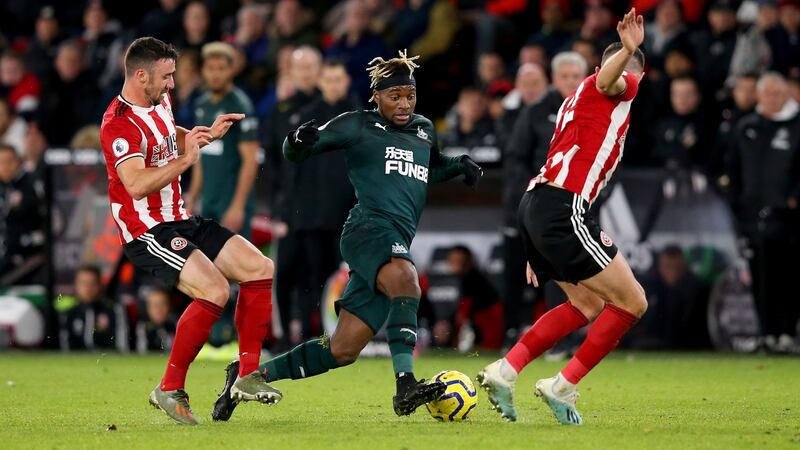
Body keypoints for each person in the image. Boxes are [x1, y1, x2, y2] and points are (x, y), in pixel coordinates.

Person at [212, 50, 483, 421]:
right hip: (367, 228)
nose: (404, 104)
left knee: (342, 349)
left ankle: (246, 377)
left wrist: (457, 166)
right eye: (394, 96)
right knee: (407, 280)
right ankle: (406, 384)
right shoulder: (357, 125)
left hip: (391, 236)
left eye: (409, 96)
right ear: (376, 97)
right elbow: (297, 151)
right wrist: (296, 140)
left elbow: (428, 167)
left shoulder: (423, 128)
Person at [478, 9, 648, 425]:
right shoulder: (611, 86)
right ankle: (562, 384)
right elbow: (609, 79)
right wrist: (629, 52)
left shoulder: (577, 102)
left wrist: (537, 248)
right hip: (562, 207)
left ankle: (505, 370)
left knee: (586, 303)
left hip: (539, 205)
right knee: (632, 301)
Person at [99, 37, 279, 425]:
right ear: (140, 74)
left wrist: (201, 135)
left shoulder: (157, 100)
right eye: (166, 77)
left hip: (179, 217)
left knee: (259, 267)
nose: (172, 85)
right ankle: (169, 387)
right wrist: (186, 160)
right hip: (147, 230)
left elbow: (165, 132)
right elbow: (135, 184)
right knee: (214, 290)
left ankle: (247, 374)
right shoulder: (118, 124)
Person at [272, 59, 359, 349]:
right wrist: (288, 211)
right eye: (329, 79)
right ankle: (310, 338)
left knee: (343, 278)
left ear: (346, 81)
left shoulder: (359, 117)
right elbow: (291, 168)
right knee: (311, 278)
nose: (334, 85)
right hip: (310, 215)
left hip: (346, 214)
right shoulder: (307, 118)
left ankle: (344, 337)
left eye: (338, 79)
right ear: (321, 83)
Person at [726, 72, 800, 353]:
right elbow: (731, 168)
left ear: (786, 95)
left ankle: (785, 332)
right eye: (766, 94)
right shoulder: (746, 127)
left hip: (789, 220)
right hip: (752, 217)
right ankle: (766, 333)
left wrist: (794, 197)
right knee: (760, 276)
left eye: (777, 94)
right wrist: (735, 202)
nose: (771, 99)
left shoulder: (796, 126)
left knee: (789, 276)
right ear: (758, 96)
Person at [186, 42, 259, 238]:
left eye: (221, 68)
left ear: (231, 70)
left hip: (230, 200)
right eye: (211, 68)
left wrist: (238, 206)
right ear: (203, 70)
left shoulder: (240, 105)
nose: (215, 74)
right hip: (208, 199)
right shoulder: (201, 105)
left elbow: (251, 160)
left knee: (234, 265)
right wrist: (192, 198)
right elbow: (199, 155)